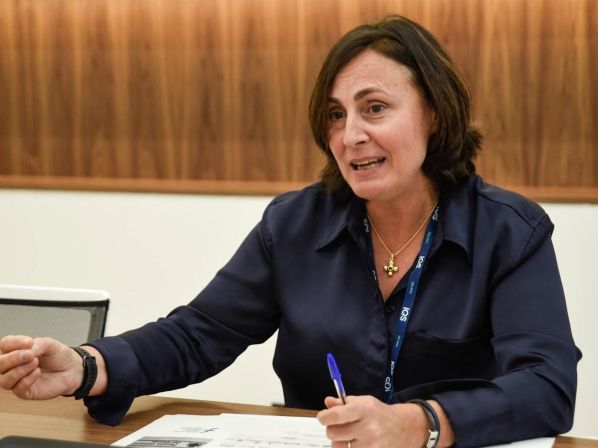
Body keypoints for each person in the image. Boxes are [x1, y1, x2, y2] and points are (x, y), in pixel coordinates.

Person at [0, 15, 580, 448]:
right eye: (335, 114)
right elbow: (199, 334)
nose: (351, 135)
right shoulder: (295, 223)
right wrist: (87, 366)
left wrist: (420, 424)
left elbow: (547, 387)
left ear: (433, 113)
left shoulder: (509, 230)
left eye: (375, 108)